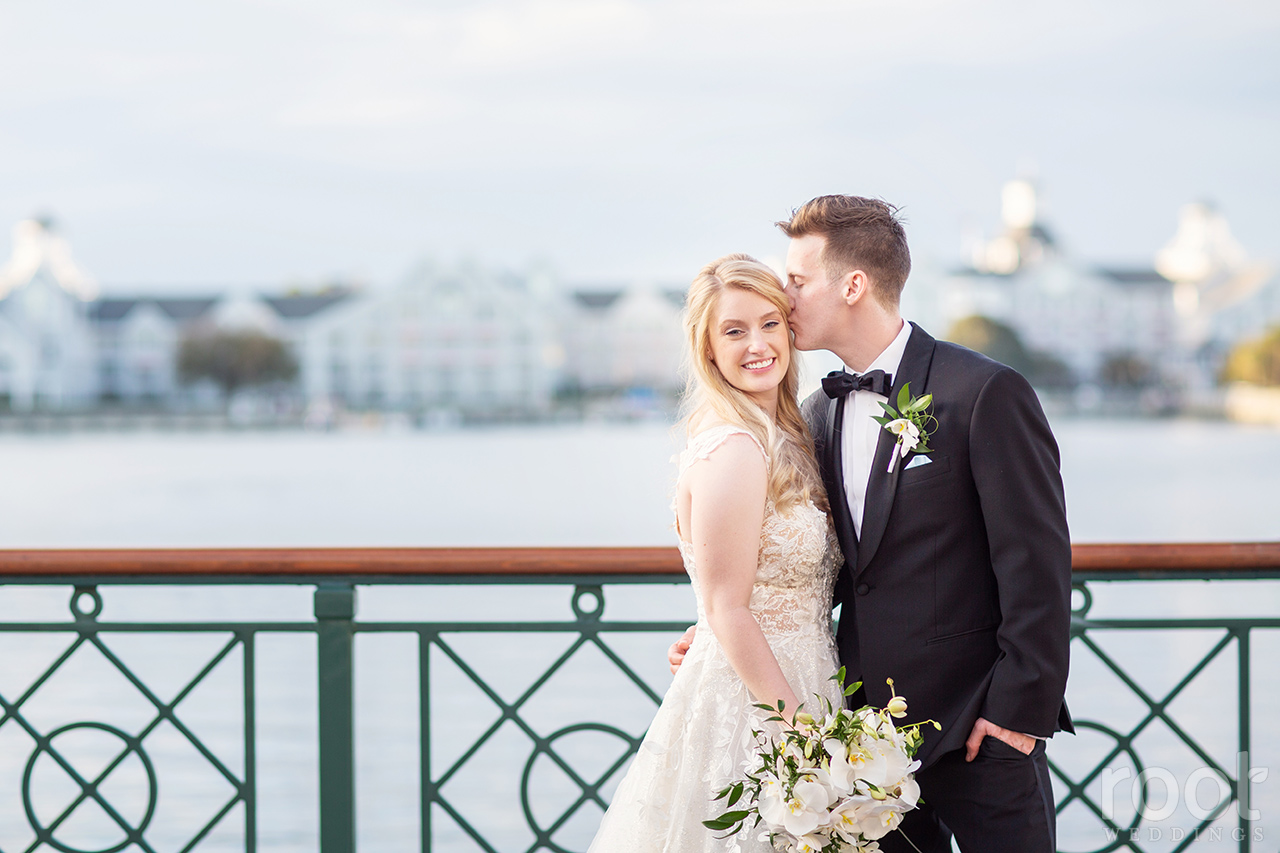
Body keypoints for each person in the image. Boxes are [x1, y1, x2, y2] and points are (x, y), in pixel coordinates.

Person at [670, 196, 1073, 853]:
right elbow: (814, 565)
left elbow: (1039, 567)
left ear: (852, 284)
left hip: (981, 733)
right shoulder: (812, 419)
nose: (786, 297)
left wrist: (1015, 716)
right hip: (860, 744)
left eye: (797, 282)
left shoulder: (983, 393)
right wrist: (719, 629)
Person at [589, 254, 844, 851]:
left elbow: (747, 587)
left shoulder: (786, 437)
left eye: (769, 323)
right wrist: (801, 739)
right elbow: (729, 607)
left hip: (803, 676)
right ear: (707, 350)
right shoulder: (733, 448)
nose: (757, 344)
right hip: (759, 706)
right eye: (734, 331)